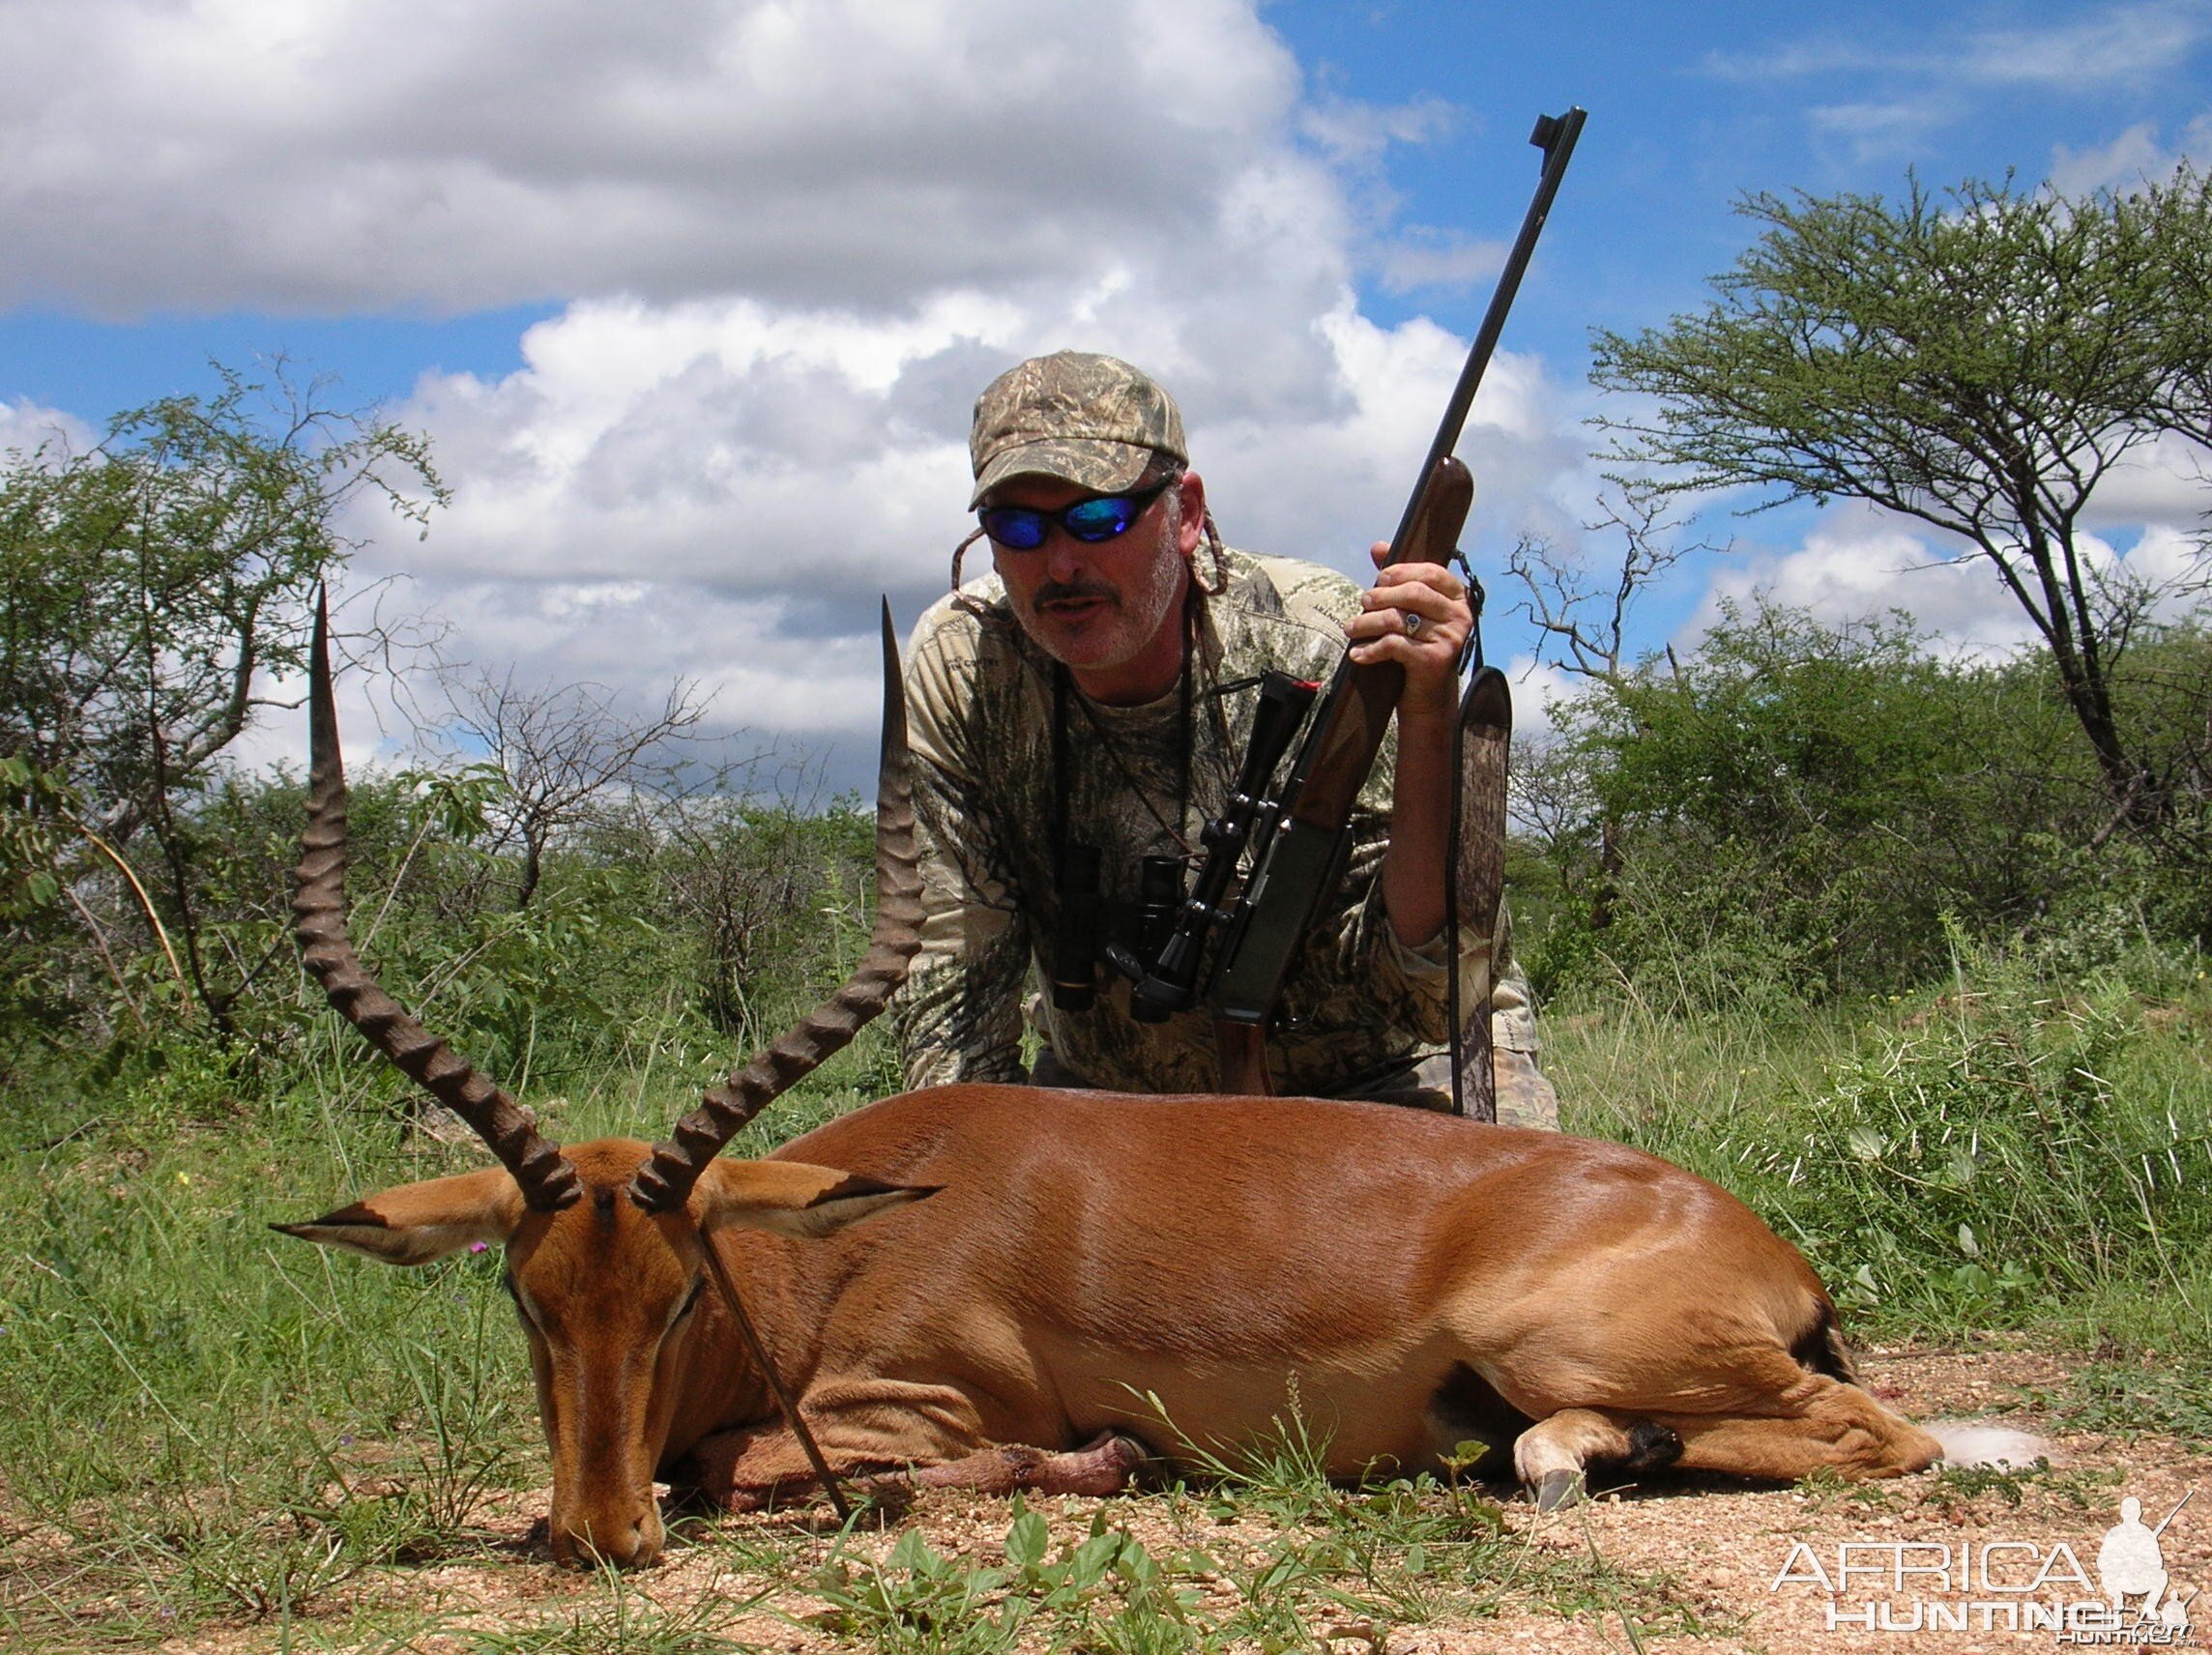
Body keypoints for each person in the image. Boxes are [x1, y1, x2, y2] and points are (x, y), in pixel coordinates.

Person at [893, 351, 1557, 1127]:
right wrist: (962, 1173)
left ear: (1188, 514)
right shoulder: (965, 665)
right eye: (1017, 527)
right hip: (1110, 1100)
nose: (1061, 564)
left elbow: (1431, 996)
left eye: (1099, 516)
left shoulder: (1327, 641)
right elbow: (950, 974)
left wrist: (1429, 718)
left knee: (1507, 1218)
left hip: (1384, 1077)